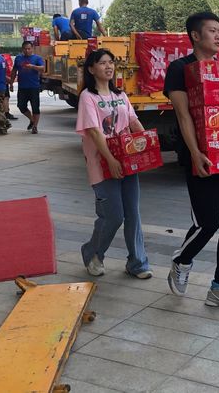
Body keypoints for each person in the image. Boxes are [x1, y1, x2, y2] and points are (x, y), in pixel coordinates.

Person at [163, 11, 219, 311]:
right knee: (208, 222)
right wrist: (195, 152)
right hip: (202, 159)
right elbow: (183, 115)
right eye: (212, 31)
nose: (218, 36)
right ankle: (182, 260)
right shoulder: (180, 68)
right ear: (195, 35)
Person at [77, 48, 152, 279]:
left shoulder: (120, 94)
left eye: (111, 62)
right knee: (113, 216)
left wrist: (146, 144)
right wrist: (110, 160)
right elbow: (94, 131)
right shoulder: (87, 97)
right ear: (91, 69)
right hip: (102, 164)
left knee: (133, 214)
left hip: (127, 162)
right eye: (102, 63)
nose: (108, 66)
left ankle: (138, 263)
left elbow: (133, 121)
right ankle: (93, 254)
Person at [11, 41, 45, 134]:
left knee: (35, 108)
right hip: (22, 87)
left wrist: (33, 66)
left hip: (34, 87)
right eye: (25, 49)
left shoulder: (37, 58)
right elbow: (14, 71)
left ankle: (35, 126)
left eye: (29, 49)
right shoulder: (18, 58)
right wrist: (11, 83)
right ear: (22, 49)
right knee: (21, 106)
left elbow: (43, 68)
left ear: (32, 48)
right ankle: (32, 120)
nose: (27, 51)